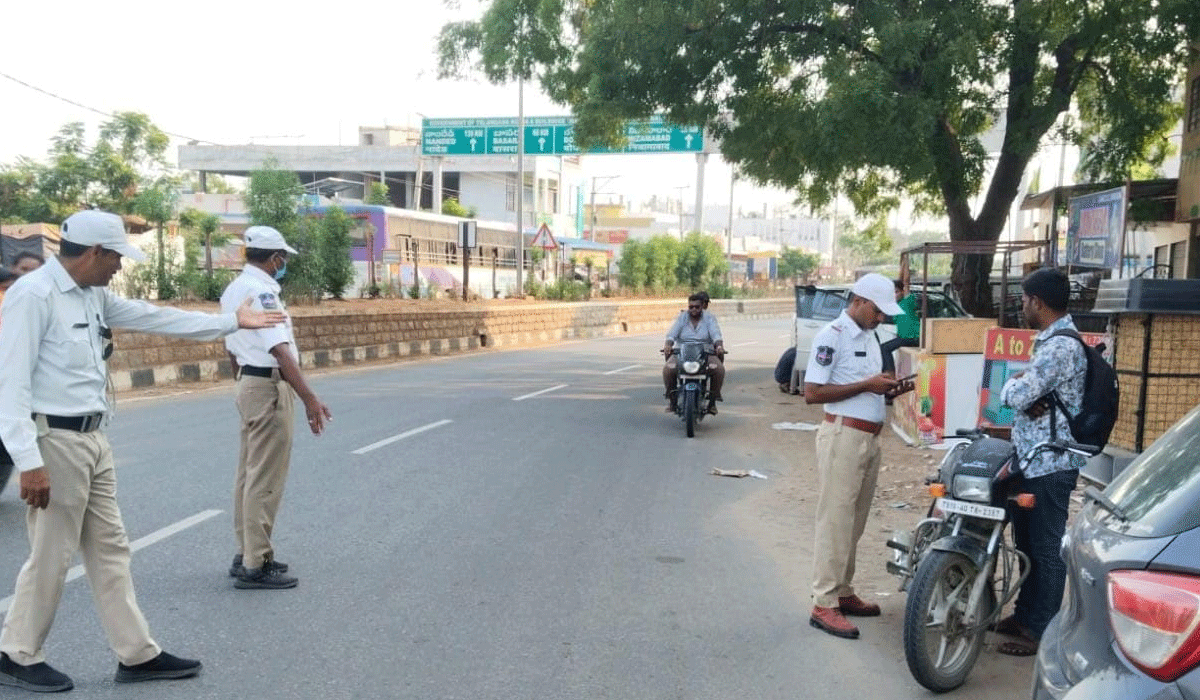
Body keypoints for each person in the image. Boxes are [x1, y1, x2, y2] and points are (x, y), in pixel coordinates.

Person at [0, 210, 286, 692]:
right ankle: (17, 654)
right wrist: (29, 462)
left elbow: (155, 316)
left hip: (93, 438)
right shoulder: (33, 296)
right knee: (52, 553)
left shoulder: (92, 294)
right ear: (93, 253)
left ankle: (136, 653)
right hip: (55, 442)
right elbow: (10, 385)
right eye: (114, 257)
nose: (118, 266)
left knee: (112, 549)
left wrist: (230, 322)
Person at [803, 272, 912, 640]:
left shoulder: (870, 334)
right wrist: (868, 385)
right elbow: (813, 393)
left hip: (866, 438)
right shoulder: (831, 337)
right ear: (861, 301)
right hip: (842, 435)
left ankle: (843, 590)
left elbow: (864, 388)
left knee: (855, 519)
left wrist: (888, 390)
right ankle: (824, 601)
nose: (882, 318)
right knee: (835, 519)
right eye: (878, 311)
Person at [222, 226, 331, 590]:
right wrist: (310, 399)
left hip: (248, 383)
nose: (282, 265)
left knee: (247, 475)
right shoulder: (262, 292)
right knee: (265, 478)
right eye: (282, 259)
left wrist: (241, 381)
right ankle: (257, 563)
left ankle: (247, 552)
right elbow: (280, 350)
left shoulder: (234, 289)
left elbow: (229, 344)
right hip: (268, 385)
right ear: (275, 259)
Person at [994, 268, 1086, 657]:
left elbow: (1015, 395)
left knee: (1046, 547)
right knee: (1027, 542)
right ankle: (1024, 615)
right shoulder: (1053, 342)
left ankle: (1041, 630)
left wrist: (1013, 385)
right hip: (1033, 462)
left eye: (1025, 300)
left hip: (1051, 464)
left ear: (1039, 303)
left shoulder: (1060, 347)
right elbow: (1028, 393)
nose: (1022, 306)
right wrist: (1024, 387)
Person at [662, 292, 725, 415]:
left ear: (702, 307)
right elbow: (672, 334)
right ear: (688, 307)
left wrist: (719, 346)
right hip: (682, 351)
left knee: (718, 369)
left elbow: (716, 334)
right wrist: (668, 344)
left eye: (697, 307)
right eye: (691, 307)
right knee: (668, 369)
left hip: (706, 351)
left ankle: (712, 402)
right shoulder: (682, 317)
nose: (694, 309)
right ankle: (673, 401)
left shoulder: (709, 318)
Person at [880, 278, 920, 375]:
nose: (894, 295)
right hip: (904, 338)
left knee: (884, 348)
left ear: (903, 292)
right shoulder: (896, 306)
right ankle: (889, 373)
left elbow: (906, 281)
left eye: (896, 292)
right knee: (885, 348)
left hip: (913, 337)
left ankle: (890, 374)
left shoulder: (907, 301)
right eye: (892, 293)